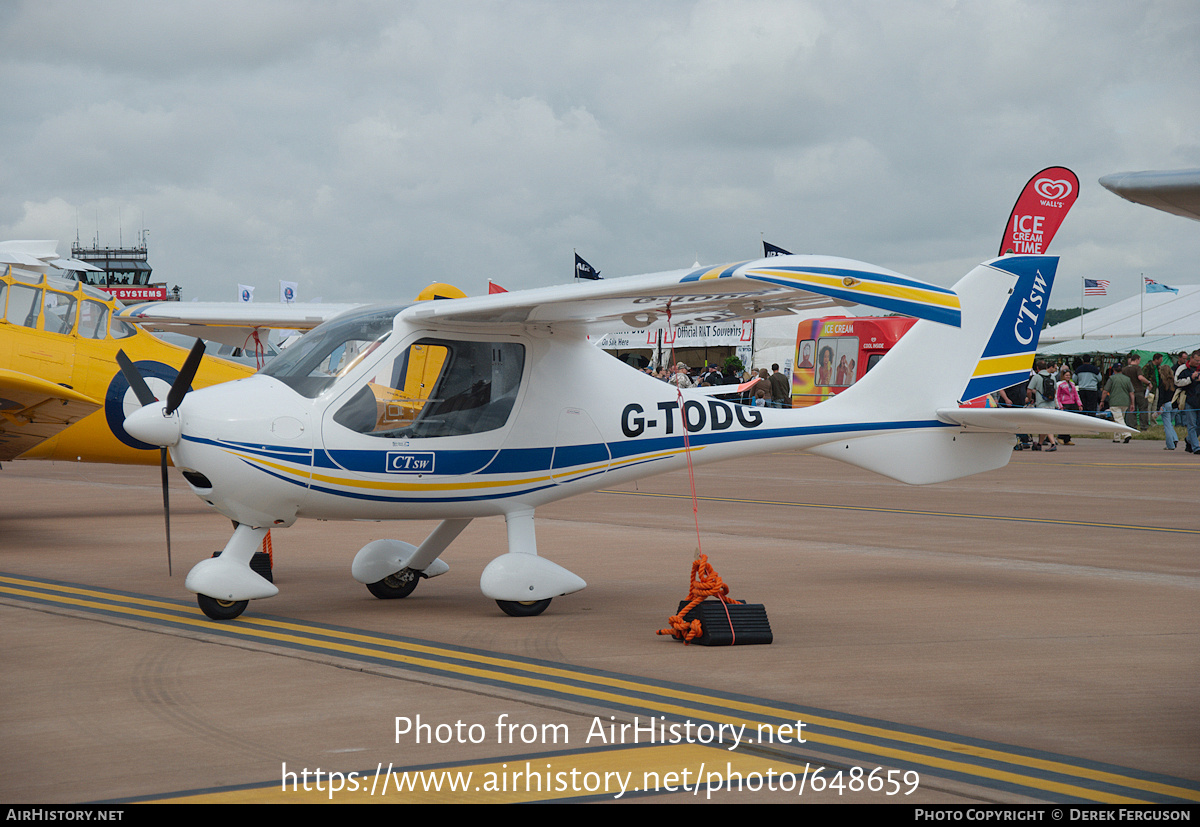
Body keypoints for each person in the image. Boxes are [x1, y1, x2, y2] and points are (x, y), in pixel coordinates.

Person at [1026, 360, 1057, 451]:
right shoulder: (1052, 377)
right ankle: (1039, 444)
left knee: (1046, 425)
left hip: (1041, 404)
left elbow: (1029, 390)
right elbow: (1055, 390)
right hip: (1051, 404)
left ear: (1037, 368)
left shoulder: (1036, 377)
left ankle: (1053, 443)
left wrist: (1030, 398)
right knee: (1046, 424)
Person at [1174, 350, 1200, 454]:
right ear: (1192, 358)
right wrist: (1191, 378)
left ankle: (1189, 439)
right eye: (1197, 360)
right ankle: (1196, 447)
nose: (1198, 363)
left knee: (1199, 425)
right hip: (1189, 400)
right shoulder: (1182, 369)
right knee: (1191, 424)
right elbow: (1177, 382)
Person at [1100, 365, 1134, 443]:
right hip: (1125, 402)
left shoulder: (1112, 378)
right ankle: (1117, 437)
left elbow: (1105, 391)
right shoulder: (1127, 379)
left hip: (1114, 402)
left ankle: (1127, 434)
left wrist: (1102, 401)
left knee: (1118, 419)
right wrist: (1132, 403)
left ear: (1114, 370)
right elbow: (1131, 392)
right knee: (1120, 418)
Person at [1055, 368, 1082, 445]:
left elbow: (1076, 395)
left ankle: (1067, 438)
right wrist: (1059, 406)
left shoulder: (1072, 384)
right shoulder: (1059, 384)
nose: (1068, 376)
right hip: (1064, 404)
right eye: (1066, 375)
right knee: (1064, 422)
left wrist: (1079, 404)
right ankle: (1060, 436)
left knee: (1070, 422)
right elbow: (1057, 396)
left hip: (1072, 404)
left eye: (1069, 375)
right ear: (1063, 376)